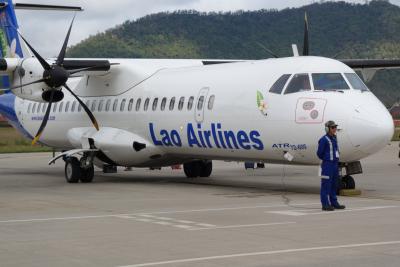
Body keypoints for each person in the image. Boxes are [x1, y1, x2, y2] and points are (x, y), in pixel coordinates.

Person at [317, 121, 346, 211]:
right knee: (326, 185)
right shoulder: (323, 139)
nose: (334, 129)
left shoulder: (334, 138)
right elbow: (319, 153)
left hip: (334, 165)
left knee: (334, 185)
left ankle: (334, 203)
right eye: (332, 127)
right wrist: (327, 159)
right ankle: (325, 204)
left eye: (335, 127)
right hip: (327, 165)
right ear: (327, 128)